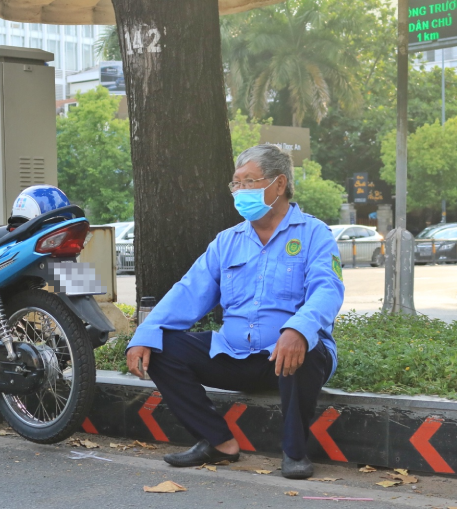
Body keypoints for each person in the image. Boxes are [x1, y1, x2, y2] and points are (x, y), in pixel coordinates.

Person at [125, 144, 345, 479]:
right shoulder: (227, 241)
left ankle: (294, 453)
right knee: (161, 346)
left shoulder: (315, 234)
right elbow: (189, 291)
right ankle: (218, 442)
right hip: (235, 353)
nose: (240, 191)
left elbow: (328, 290)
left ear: (279, 184)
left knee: (305, 341)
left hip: (291, 356)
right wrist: (144, 334)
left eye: (249, 182)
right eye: (236, 184)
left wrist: (298, 329)